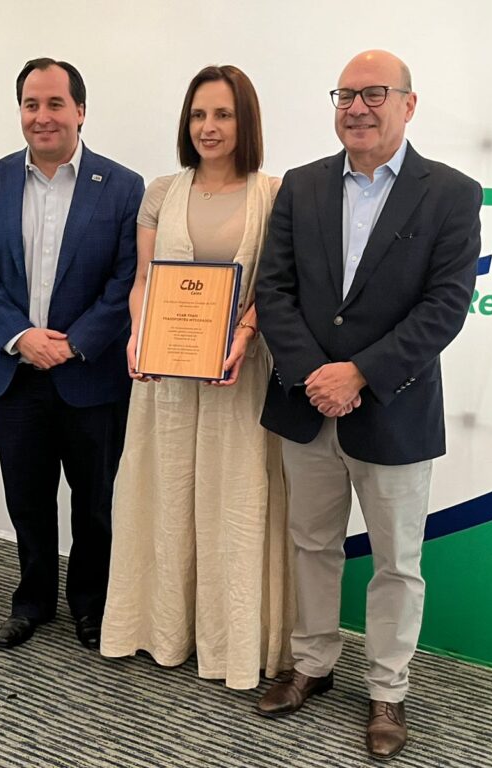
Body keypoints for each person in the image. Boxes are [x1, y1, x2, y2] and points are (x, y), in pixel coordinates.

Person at [253, 50, 482, 760]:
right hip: (305, 404)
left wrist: (358, 373)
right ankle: (312, 664)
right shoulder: (301, 185)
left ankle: (387, 689)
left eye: (375, 94)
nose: (357, 107)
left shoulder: (452, 193)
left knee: (396, 563)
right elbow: (274, 289)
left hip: (395, 408)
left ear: (409, 104)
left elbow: (445, 307)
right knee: (311, 544)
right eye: (346, 94)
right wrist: (314, 374)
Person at [99, 65, 294, 690]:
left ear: (246, 120)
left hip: (239, 376)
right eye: (199, 115)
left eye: (223, 114)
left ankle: (234, 645)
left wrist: (243, 335)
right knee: (163, 495)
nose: (209, 127)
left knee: (234, 505)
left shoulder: (275, 193)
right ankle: (161, 630)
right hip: (166, 382)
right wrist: (138, 334)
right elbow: (143, 282)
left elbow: (276, 288)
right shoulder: (161, 192)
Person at [0, 58, 143, 651]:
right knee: (27, 498)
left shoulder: (123, 186)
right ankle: (32, 600)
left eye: (55, 104)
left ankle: (91, 604)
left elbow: (126, 279)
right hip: (15, 372)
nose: (43, 116)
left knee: (95, 502)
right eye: (31, 104)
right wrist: (20, 335)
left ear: (80, 111)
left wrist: (74, 342)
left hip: (91, 376)